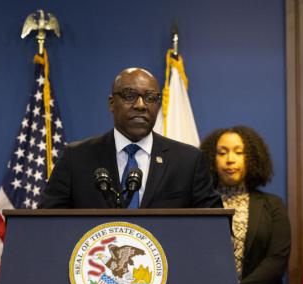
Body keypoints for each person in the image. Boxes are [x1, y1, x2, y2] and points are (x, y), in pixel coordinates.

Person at [41, 67, 221, 209]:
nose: (141, 105)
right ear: (112, 103)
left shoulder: (188, 161)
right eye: (130, 96)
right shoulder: (77, 158)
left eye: (150, 98)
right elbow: (48, 222)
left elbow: (213, 226)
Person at [200, 126, 291, 284]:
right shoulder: (199, 206)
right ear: (211, 160)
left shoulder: (273, 205)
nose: (230, 159)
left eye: (238, 152)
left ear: (251, 158)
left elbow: (276, 260)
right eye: (222, 153)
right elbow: (196, 263)